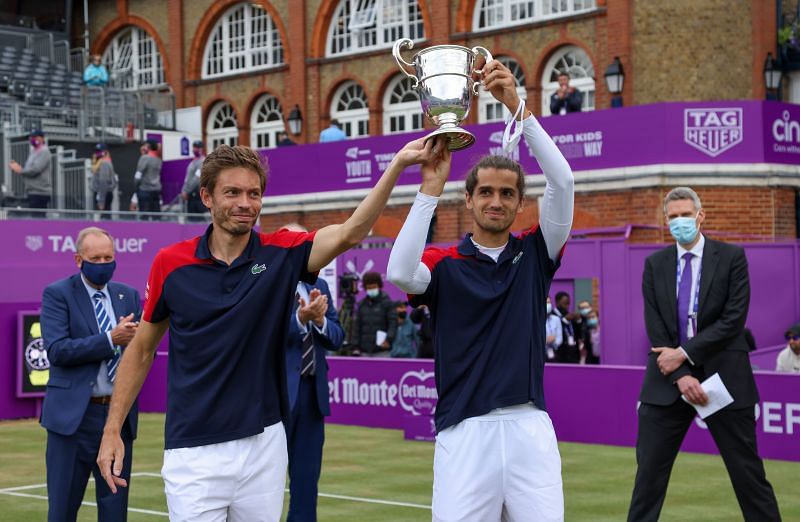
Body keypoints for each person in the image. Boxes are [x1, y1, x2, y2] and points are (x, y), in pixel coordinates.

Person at [96, 139, 442, 520]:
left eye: (254, 193)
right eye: (233, 192)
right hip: (193, 451)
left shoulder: (281, 252)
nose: (245, 203)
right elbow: (142, 349)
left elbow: (349, 233)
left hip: (264, 445)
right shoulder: (170, 263)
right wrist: (113, 429)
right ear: (207, 197)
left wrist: (396, 166)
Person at [387, 58, 573, 521]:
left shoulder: (536, 253)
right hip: (464, 431)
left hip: (530, 428)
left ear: (519, 203)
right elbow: (399, 273)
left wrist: (519, 108)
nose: (496, 200)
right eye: (485, 192)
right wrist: (429, 189)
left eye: (507, 193)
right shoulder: (444, 264)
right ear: (467, 199)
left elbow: (563, 182)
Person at [628, 186, 781, 522]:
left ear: (701, 216)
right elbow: (655, 327)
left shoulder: (731, 257)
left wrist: (684, 354)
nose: (680, 221)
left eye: (686, 214)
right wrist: (681, 373)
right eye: (673, 217)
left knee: (748, 477)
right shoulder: (655, 265)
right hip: (668, 381)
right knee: (648, 480)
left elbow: (733, 321)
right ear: (665, 221)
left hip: (725, 376)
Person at [40, 227, 141, 521]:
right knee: (62, 509)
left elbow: (138, 354)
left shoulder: (128, 295)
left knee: (114, 510)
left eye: (108, 256)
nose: (103, 263)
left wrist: (133, 342)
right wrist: (110, 339)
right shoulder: (58, 294)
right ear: (78, 259)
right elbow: (58, 350)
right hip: (73, 420)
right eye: (95, 258)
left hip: (117, 418)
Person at [283, 224, 344, 522]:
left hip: (312, 396)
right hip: (275, 396)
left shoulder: (320, 285)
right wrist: (298, 318)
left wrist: (318, 321)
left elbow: (336, 336)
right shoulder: (266, 282)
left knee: (306, 484)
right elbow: (258, 333)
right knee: (260, 485)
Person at [352, 272, 396, 356]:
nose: (372, 290)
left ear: (379, 286)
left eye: (374, 287)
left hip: (382, 350)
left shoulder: (387, 303)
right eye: (369, 288)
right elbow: (357, 327)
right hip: (364, 351)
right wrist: (355, 346)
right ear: (365, 288)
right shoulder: (361, 305)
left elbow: (393, 324)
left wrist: (389, 339)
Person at [9, 129, 52, 211]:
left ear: (42, 139)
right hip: (32, 191)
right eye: (31, 137)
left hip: (40, 192)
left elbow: (35, 169)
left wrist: (20, 170)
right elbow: (29, 169)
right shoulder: (33, 152)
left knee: (38, 219)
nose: (32, 139)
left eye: (35, 137)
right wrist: (18, 168)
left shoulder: (44, 152)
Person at [134, 140, 162, 218]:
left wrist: (136, 185)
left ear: (148, 147)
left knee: (144, 216)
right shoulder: (158, 159)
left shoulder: (144, 158)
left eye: (145, 145)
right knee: (156, 216)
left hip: (145, 190)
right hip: (156, 190)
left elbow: (138, 173)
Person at [180, 140, 206, 221]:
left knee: (196, 220)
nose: (195, 149)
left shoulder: (202, 161)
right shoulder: (193, 161)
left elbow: (196, 179)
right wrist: (184, 190)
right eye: (194, 147)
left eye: (198, 147)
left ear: (202, 149)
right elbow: (188, 178)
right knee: (190, 219)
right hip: (191, 195)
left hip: (196, 196)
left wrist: (187, 191)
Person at [553, 291, 579, 363]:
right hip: (558, 352)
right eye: (565, 304)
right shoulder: (552, 315)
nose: (567, 306)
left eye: (568, 304)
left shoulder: (568, 314)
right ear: (557, 302)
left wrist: (578, 321)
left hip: (571, 350)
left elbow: (575, 331)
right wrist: (564, 320)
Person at [92, 143, 117, 215]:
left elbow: (103, 182)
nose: (97, 153)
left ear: (105, 152)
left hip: (103, 193)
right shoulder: (101, 162)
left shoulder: (104, 163)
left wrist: (101, 201)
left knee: (104, 219)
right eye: (96, 151)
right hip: (103, 193)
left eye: (99, 151)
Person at [545, 296, 561, 362]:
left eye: (549, 303)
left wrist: (552, 342)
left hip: (554, 350)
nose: (548, 305)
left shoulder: (556, 319)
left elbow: (559, 338)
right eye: (546, 303)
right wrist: (545, 341)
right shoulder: (534, 319)